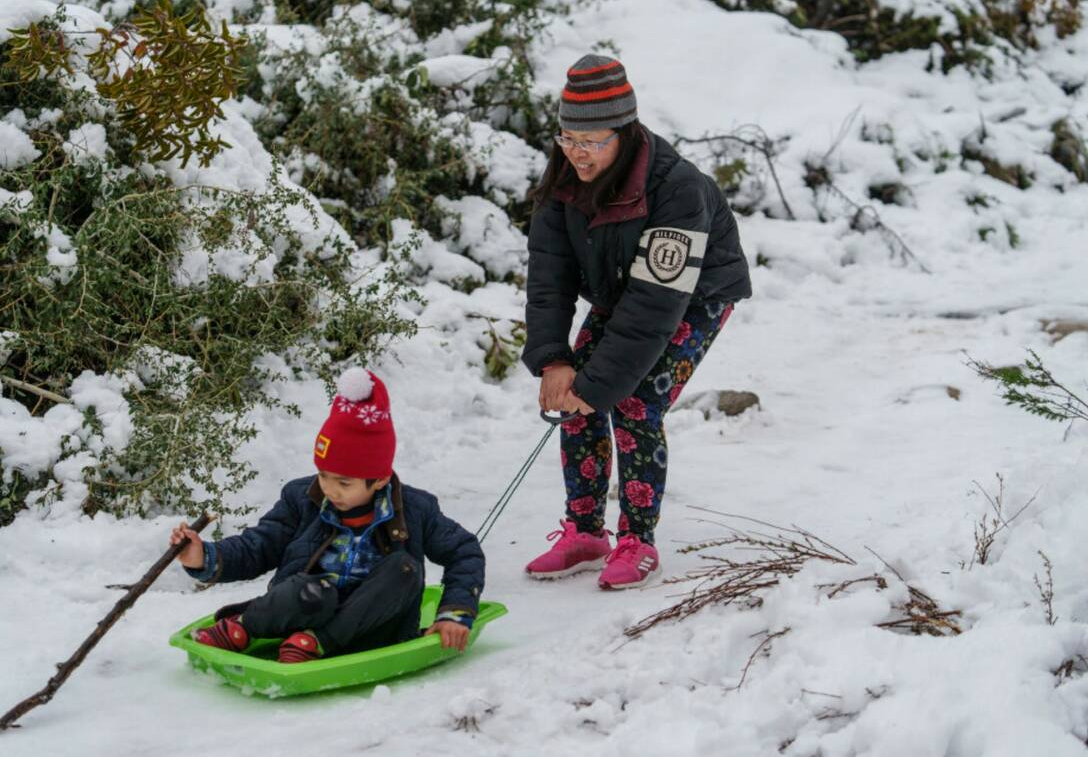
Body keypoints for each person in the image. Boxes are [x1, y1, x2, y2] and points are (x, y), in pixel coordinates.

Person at [522, 54, 752, 590]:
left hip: (693, 296)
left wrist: (599, 382)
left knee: (632, 399)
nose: (577, 153)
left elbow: (655, 305)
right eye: (568, 139)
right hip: (621, 292)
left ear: (623, 132)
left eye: (592, 142)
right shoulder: (563, 176)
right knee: (572, 394)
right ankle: (585, 533)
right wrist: (554, 361)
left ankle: (637, 541)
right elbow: (549, 276)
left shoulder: (677, 189)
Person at [170, 368, 485, 663]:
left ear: (379, 479)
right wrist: (204, 556)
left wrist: (454, 614)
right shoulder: (302, 499)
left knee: (405, 569)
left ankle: (317, 642)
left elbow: (465, 552)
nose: (331, 490)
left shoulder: (416, 509)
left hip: (369, 623)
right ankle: (246, 627)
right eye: (324, 476)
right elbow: (260, 545)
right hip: (306, 608)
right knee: (310, 590)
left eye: (344, 483)